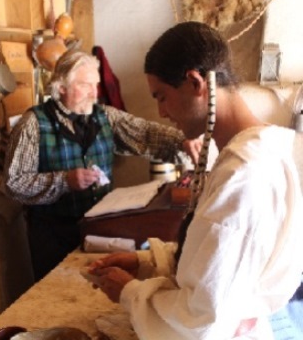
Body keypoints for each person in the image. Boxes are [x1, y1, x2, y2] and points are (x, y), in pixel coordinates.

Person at [88, 21, 303, 339]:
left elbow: (202, 319)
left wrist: (130, 292)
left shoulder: (243, 173)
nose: (161, 112)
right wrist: (146, 262)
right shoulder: (273, 144)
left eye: (162, 96)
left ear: (195, 82)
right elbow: (217, 264)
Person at [4, 48, 199, 281]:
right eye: (85, 85)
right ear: (61, 87)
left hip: (101, 231)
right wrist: (64, 181)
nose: (93, 93)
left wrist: (183, 142)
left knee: (98, 290)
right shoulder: (33, 124)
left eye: (95, 85)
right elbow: (14, 184)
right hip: (52, 237)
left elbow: (145, 133)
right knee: (57, 296)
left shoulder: (105, 116)